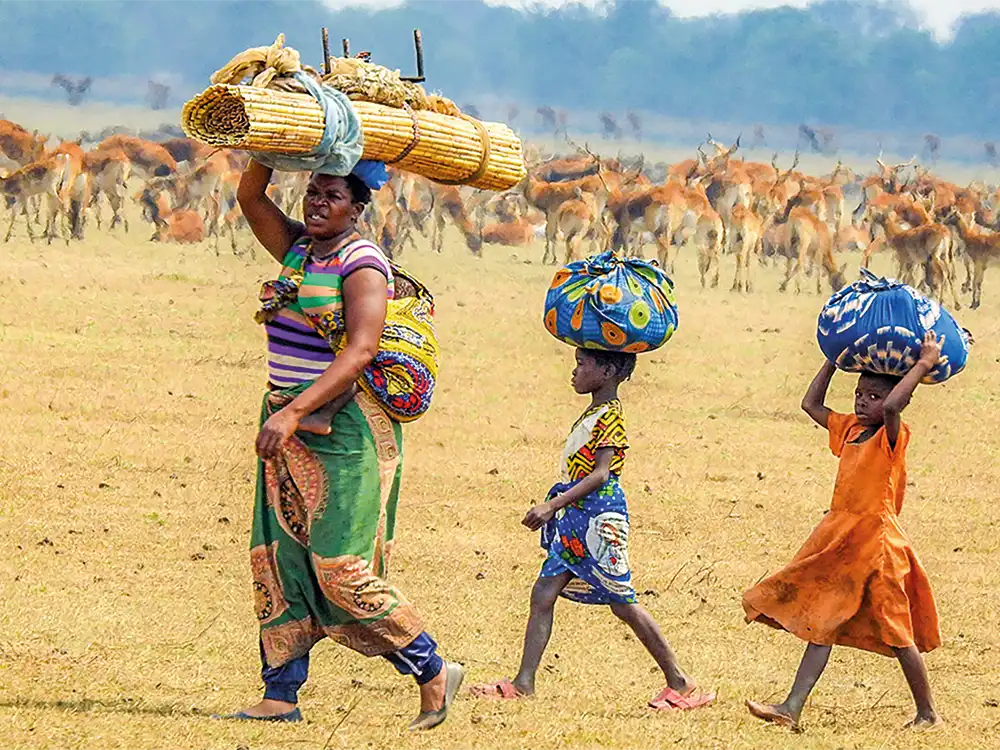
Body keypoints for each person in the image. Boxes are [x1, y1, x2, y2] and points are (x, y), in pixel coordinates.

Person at [220, 159, 463, 730]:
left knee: (338, 562)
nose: (316, 203)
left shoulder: (362, 265)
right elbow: (251, 198)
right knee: (280, 559)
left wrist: (295, 412)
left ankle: (432, 669)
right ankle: (280, 694)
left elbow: (358, 352)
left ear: (357, 209)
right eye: (311, 192)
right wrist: (272, 145)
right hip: (285, 421)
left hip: (344, 427)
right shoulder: (300, 252)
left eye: (331, 195)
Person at [470, 348, 714, 710]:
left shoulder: (611, 417)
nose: (574, 372)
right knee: (543, 594)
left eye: (582, 365)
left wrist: (552, 505)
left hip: (598, 517)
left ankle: (680, 681)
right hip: (577, 515)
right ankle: (524, 682)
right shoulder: (596, 411)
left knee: (622, 602)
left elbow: (601, 474)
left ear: (609, 370)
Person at [743, 330, 944, 732]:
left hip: (879, 544)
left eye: (873, 396)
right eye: (859, 394)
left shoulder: (892, 435)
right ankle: (791, 707)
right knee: (825, 620)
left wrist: (923, 364)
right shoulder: (850, 429)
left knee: (897, 631)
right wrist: (832, 360)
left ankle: (928, 713)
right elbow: (809, 404)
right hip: (844, 539)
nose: (864, 402)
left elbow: (892, 408)